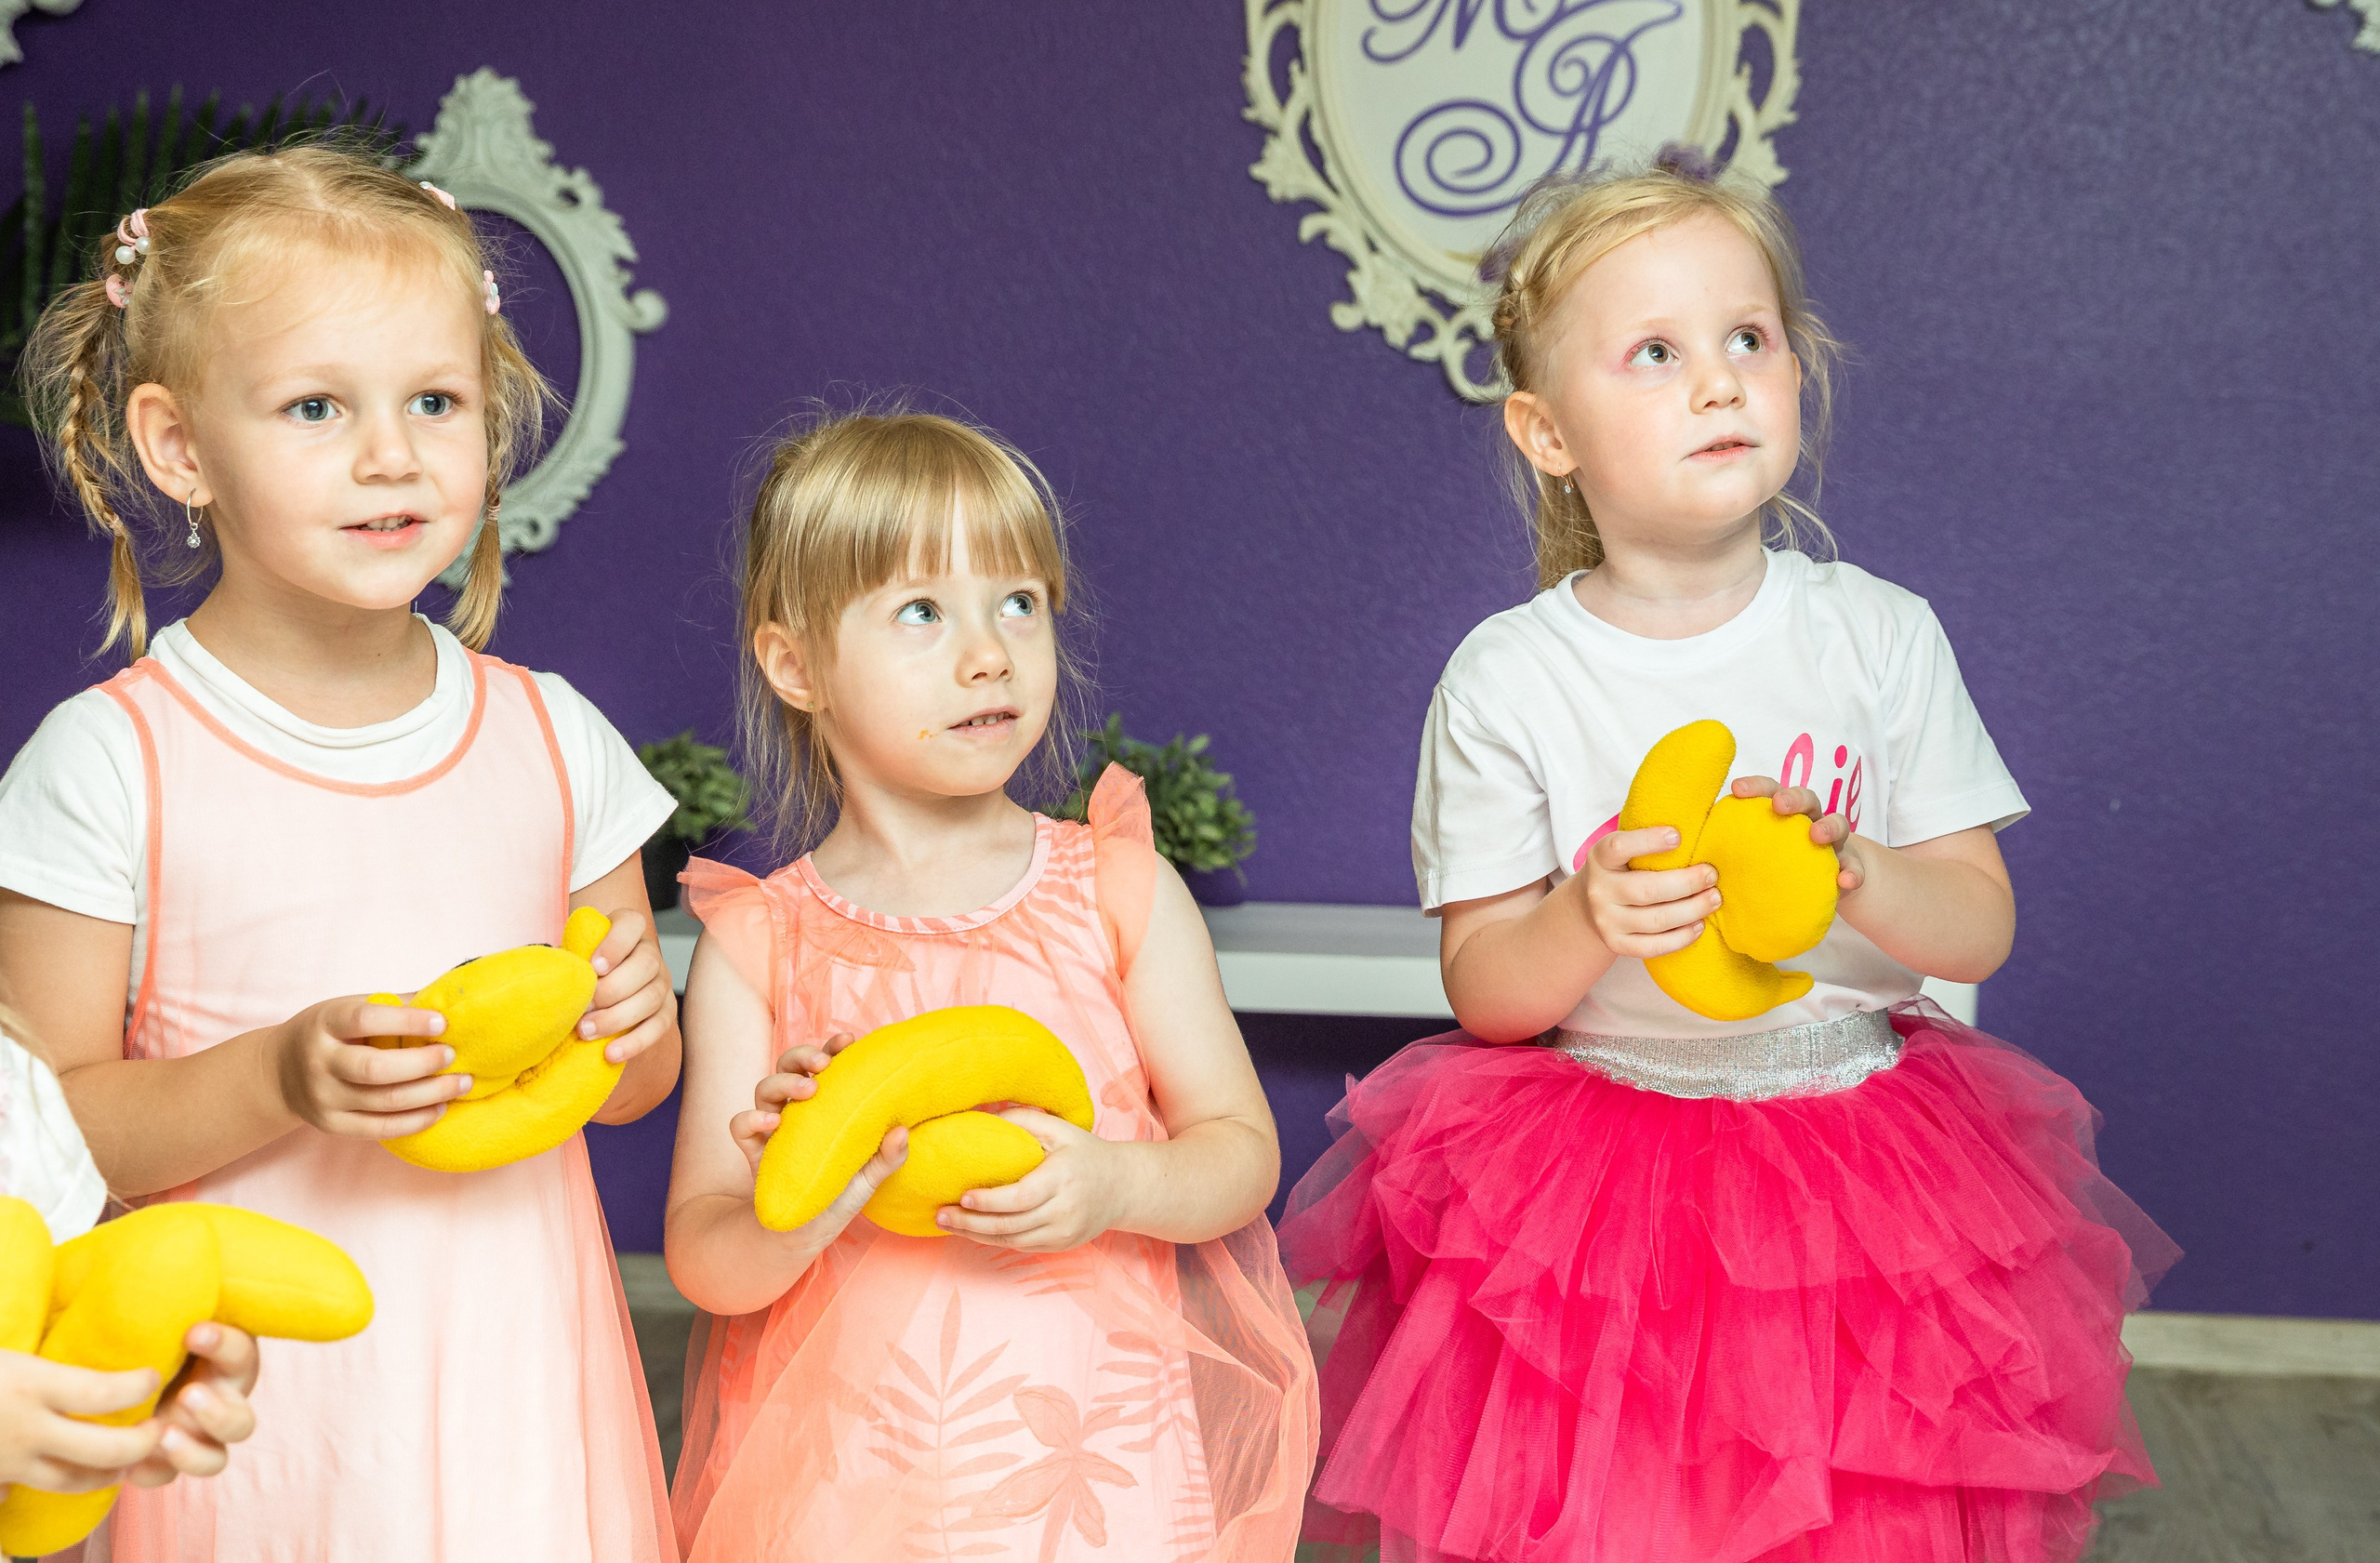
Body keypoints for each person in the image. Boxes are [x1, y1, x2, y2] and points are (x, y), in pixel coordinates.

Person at [1276, 147, 2180, 1563]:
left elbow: (1978, 930)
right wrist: (1583, 913)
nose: (1718, 381)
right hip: (1597, 1184)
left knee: (1852, 1517)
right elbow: (1489, 992)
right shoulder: (1511, 677)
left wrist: (1866, 872)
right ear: (1546, 431)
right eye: (1653, 352)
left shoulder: (1877, 634)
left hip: (1863, 1169)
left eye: (1747, 339)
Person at [0, 143, 681, 1560]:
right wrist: (279, 1075)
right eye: (317, 405)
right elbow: (50, 1136)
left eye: (437, 401)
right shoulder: (110, 761)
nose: (394, 453)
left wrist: (636, 1026)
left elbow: (637, 1084)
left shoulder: (555, 739)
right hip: (256, 1423)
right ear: (180, 445)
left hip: (523, 1399)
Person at [663, 409, 1316, 1561]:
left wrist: (1119, 1181)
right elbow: (705, 1261)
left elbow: (1240, 1151)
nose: (989, 652)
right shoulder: (761, 943)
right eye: (922, 610)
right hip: (848, 1492)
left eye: (1018, 602)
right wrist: (794, 1204)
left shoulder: (1116, 891)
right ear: (795, 663)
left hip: (1092, 1476)